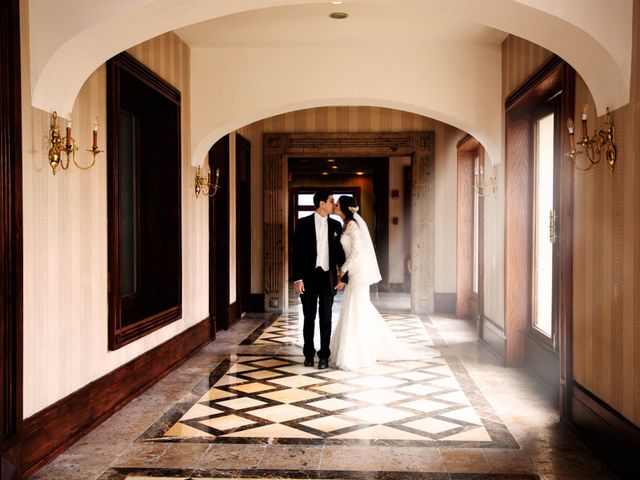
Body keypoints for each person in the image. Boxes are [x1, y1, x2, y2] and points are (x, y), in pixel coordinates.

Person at [330, 196, 430, 370]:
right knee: (356, 306)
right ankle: (360, 344)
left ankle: (359, 350)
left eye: (337, 205)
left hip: (358, 272)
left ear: (344, 208)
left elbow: (356, 252)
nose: (335, 206)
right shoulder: (344, 225)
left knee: (356, 306)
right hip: (353, 271)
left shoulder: (353, 226)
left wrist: (342, 270)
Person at [292, 190, 346, 369]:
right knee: (309, 317)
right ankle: (308, 353)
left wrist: (343, 278)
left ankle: (324, 355)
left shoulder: (336, 226)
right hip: (308, 277)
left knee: (326, 317)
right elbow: (297, 253)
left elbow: (341, 254)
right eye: (331, 201)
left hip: (328, 277)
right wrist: (297, 278)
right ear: (322, 203)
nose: (334, 204)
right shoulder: (303, 223)